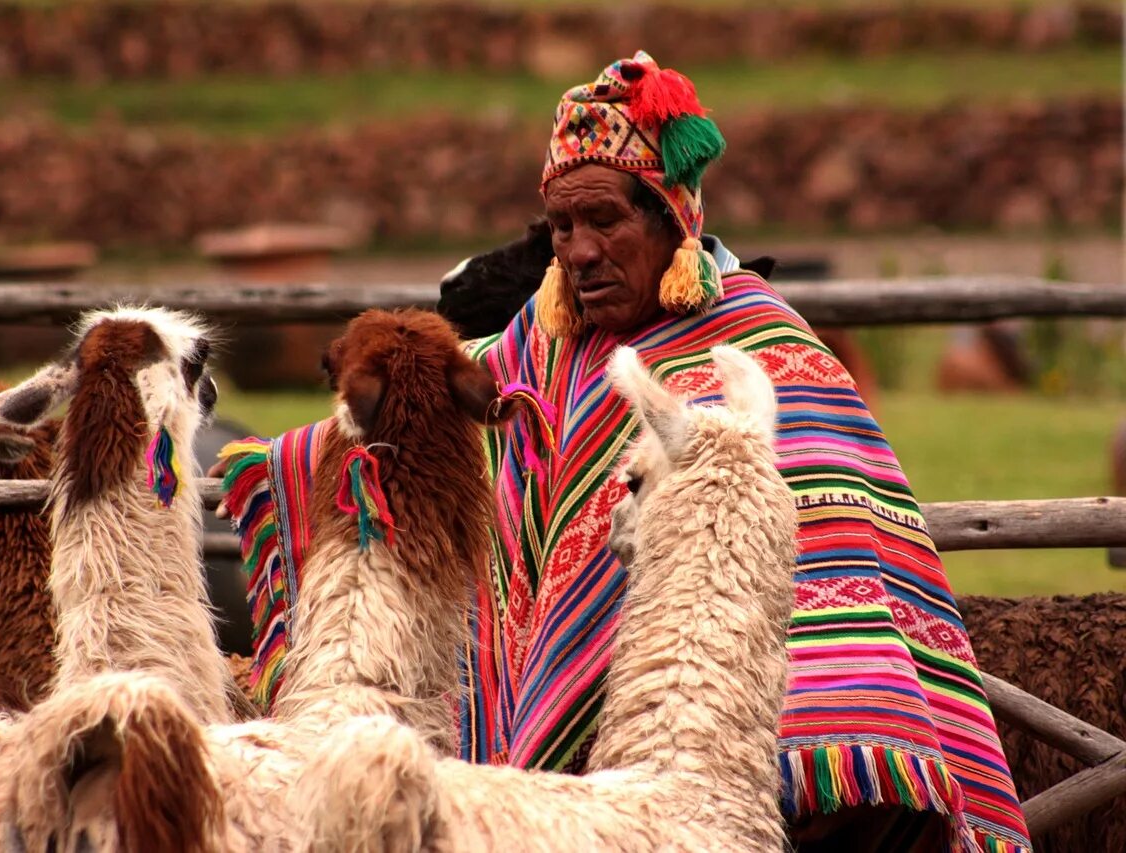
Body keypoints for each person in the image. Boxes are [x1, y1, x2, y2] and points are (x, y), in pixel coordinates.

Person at [219, 52, 1030, 852]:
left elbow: (827, 589)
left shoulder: (770, 358)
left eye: (604, 219)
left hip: (746, 782)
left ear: (672, 219)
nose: (577, 251)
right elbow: (441, 392)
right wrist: (285, 460)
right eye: (563, 227)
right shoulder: (547, 343)